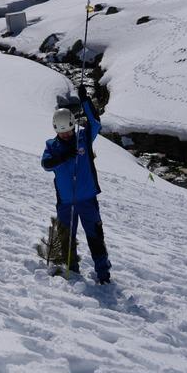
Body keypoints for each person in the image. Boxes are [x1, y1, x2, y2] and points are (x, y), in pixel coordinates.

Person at [41, 86, 111, 283]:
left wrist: (85, 101)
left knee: (95, 237)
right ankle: (72, 270)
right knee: (67, 239)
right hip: (65, 202)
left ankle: (103, 274)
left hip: (87, 199)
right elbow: (46, 164)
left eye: (69, 131)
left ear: (73, 125)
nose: (66, 135)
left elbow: (95, 123)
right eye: (61, 133)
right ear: (55, 129)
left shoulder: (83, 138)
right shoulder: (51, 146)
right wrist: (63, 156)